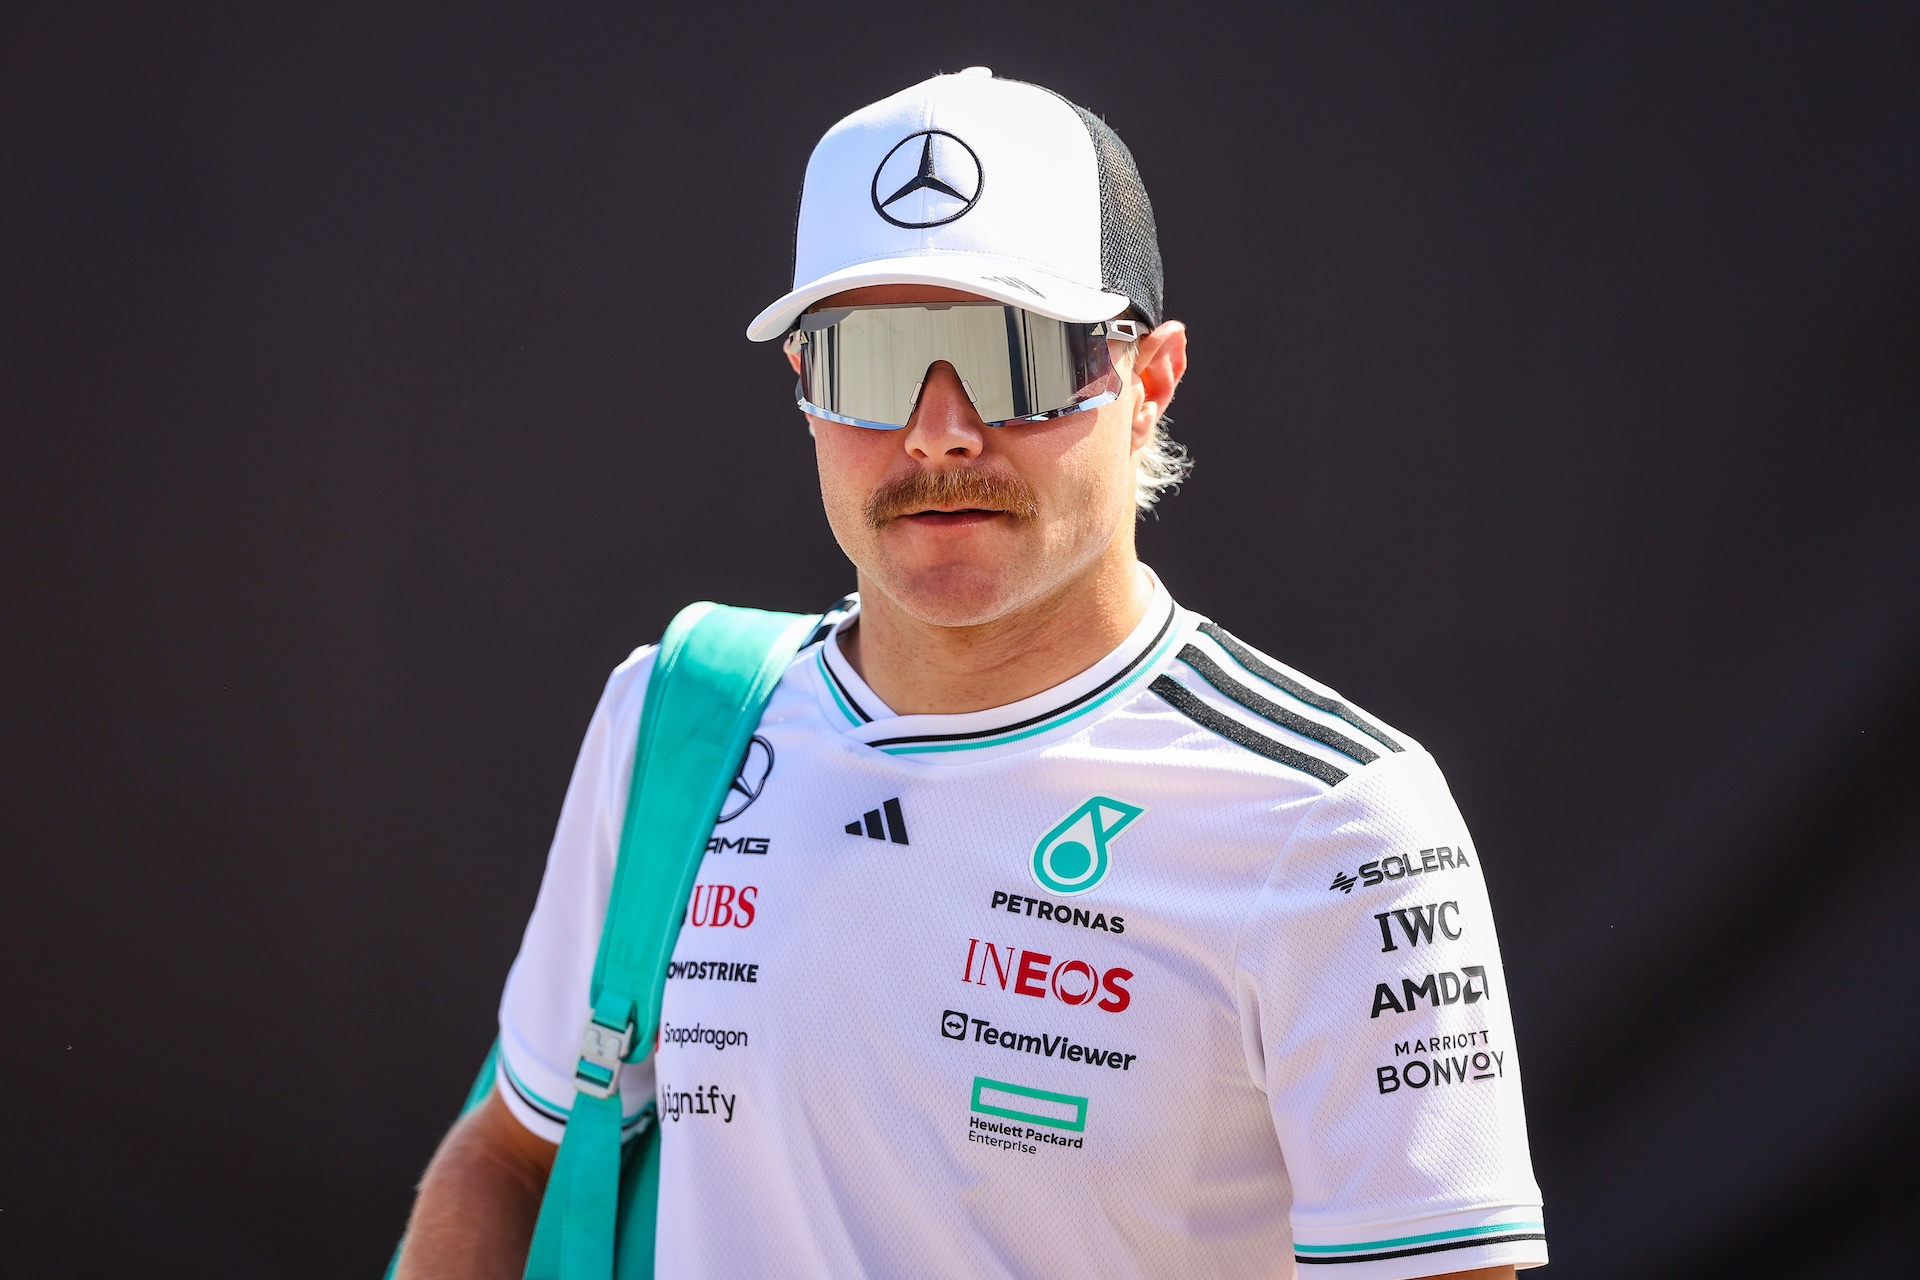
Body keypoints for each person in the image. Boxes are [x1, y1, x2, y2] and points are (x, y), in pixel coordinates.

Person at [396, 68, 1547, 1280]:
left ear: (1148, 381)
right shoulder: (675, 718)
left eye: (1015, 354)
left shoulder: (1338, 819)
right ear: (803, 388)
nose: (940, 428)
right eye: (873, 356)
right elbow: (511, 1155)